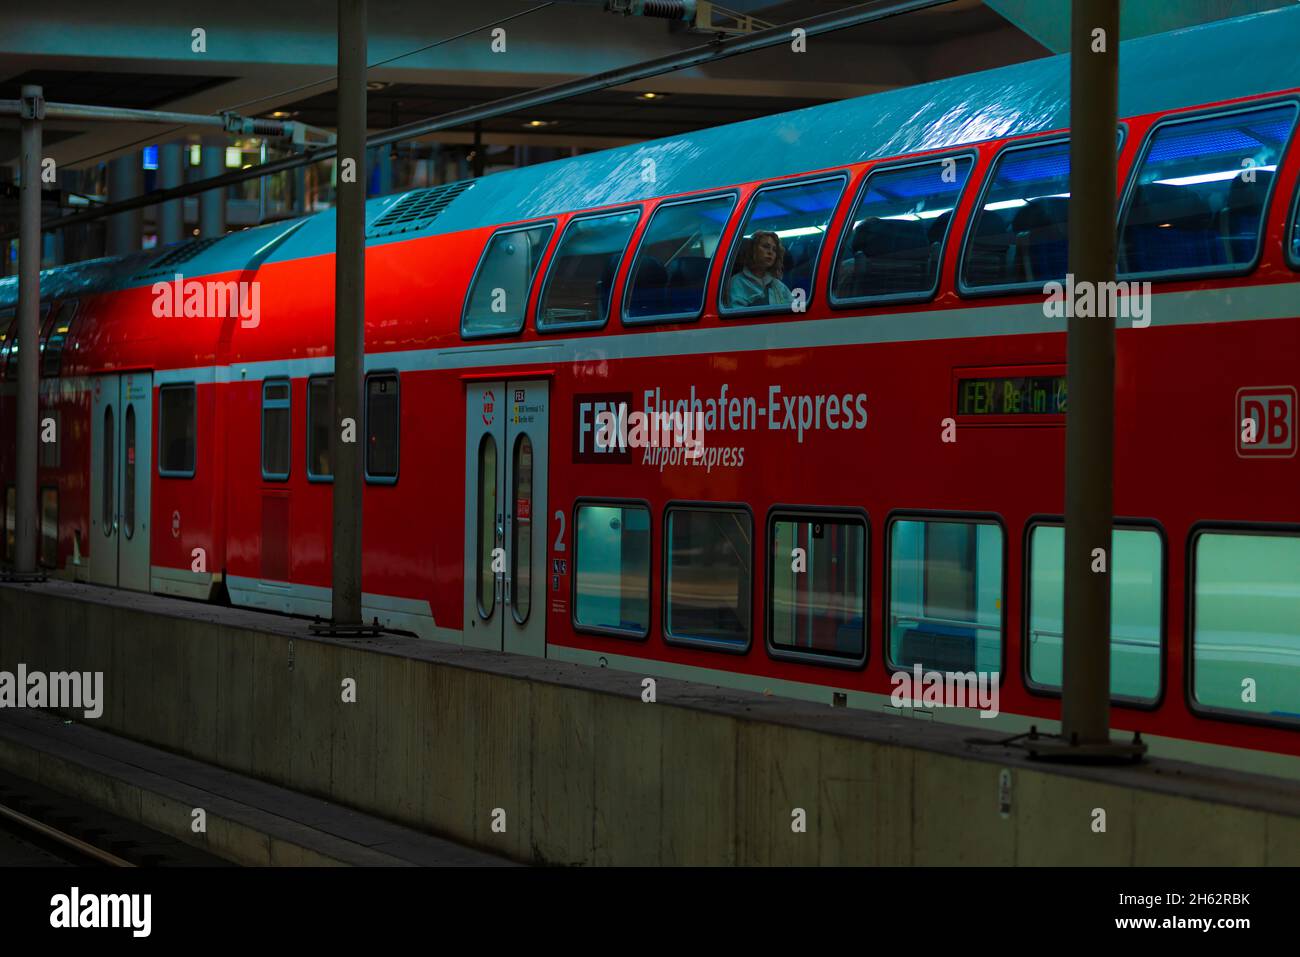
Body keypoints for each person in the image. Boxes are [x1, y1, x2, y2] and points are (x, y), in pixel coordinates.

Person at [727, 230, 792, 307]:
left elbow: (795, 310)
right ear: (753, 249)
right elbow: (736, 315)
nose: (770, 252)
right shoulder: (737, 282)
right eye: (765, 246)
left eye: (774, 249)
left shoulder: (778, 285)